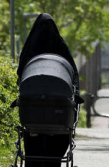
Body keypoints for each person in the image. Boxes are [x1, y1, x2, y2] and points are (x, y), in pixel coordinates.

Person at [17, 13, 82, 167]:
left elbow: (21, 72)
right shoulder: (60, 46)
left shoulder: (30, 47)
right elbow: (72, 72)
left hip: (32, 106)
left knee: (32, 133)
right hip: (59, 107)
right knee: (60, 132)